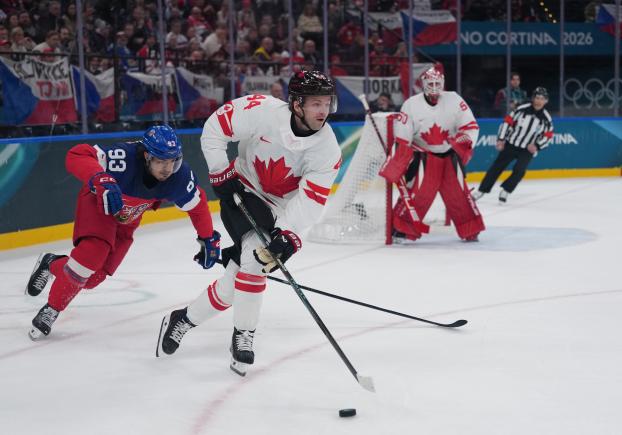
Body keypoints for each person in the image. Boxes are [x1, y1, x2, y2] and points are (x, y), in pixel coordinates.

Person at [156, 71, 342, 377]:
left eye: (326, 103)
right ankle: (243, 335)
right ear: (296, 104)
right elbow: (216, 127)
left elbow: (310, 200)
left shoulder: (327, 148)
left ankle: (183, 320)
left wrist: (289, 235)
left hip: (278, 210)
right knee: (255, 259)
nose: (323, 111)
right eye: (315, 103)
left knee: (239, 276)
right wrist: (219, 171)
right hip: (242, 190)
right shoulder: (263, 111)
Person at [26, 126, 221, 340]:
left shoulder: (179, 175)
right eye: (161, 161)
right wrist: (99, 177)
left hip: (127, 222)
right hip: (99, 207)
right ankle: (51, 309)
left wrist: (207, 237)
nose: (167, 168)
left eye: (172, 161)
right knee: (91, 256)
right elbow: (77, 154)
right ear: (146, 156)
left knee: (92, 279)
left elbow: (197, 205)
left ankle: (51, 263)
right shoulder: (122, 158)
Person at [379, 65, 485, 242]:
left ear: (443, 83)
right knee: (420, 193)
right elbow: (403, 138)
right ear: (423, 84)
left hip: (450, 155)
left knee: (459, 195)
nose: (434, 88)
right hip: (424, 157)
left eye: (438, 83)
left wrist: (463, 140)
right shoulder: (411, 105)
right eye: (431, 83)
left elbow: (470, 126)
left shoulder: (454, 99)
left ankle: (470, 229)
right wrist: (398, 164)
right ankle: (402, 228)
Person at [473, 87, 554, 203]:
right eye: (537, 98)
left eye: (542, 99)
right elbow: (507, 122)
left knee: (520, 171)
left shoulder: (547, 119)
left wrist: (537, 145)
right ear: (533, 98)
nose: (539, 101)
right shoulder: (521, 109)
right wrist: (501, 139)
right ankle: (481, 191)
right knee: (496, 168)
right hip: (511, 144)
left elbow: (548, 136)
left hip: (527, 150)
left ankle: (506, 190)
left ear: (546, 101)